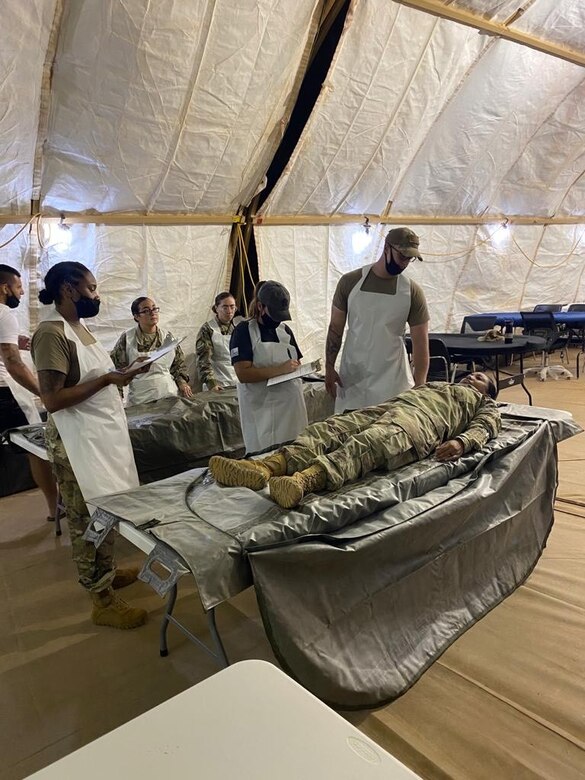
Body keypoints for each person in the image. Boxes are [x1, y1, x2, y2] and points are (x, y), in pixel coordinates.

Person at [31, 261, 150, 630]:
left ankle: (107, 571)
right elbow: (52, 399)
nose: (97, 296)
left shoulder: (78, 328)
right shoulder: (52, 334)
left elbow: (96, 375)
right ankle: (100, 599)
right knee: (87, 519)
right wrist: (108, 381)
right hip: (76, 445)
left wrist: (126, 371)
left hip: (98, 438)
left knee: (107, 509)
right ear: (69, 289)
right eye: (92, 288)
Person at [209, 372, 500, 508]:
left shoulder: (481, 403)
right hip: (392, 406)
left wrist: (462, 443)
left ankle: (303, 481)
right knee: (331, 428)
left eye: (478, 378)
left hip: (419, 425)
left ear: (486, 391)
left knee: (369, 443)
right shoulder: (441, 383)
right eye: (471, 375)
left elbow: (486, 426)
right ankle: (264, 469)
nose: (469, 378)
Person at [326, 227, 430, 413]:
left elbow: (421, 344)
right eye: (402, 256)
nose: (405, 263)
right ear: (386, 248)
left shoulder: (412, 292)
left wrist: (420, 385)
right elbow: (335, 328)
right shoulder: (349, 282)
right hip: (353, 380)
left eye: (410, 258)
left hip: (393, 382)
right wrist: (329, 367)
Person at [0, 264, 59, 521]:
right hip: (4, 394)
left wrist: (16, 340)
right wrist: (43, 392)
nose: (22, 293)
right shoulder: (4, 314)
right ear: (5, 288)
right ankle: (55, 507)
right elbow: (12, 362)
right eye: (19, 287)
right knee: (37, 447)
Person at [230, 280, 308, 453]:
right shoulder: (244, 331)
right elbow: (243, 373)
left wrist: (300, 368)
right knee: (267, 457)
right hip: (262, 410)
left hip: (291, 407)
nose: (278, 320)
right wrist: (280, 370)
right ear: (260, 307)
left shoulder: (285, 331)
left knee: (295, 453)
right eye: (274, 314)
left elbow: (296, 362)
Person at [110, 296, 192, 405]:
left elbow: (178, 365)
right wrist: (118, 398)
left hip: (168, 395)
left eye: (154, 309)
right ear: (136, 316)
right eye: (146, 311)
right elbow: (117, 370)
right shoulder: (128, 338)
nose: (152, 313)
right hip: (140, 400)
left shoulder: (167, 336)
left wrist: (182, 383)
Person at [195, 292, 242, 391]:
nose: (229, 311)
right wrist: (212, 384)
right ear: (216, 308)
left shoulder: (237, 327)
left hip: (236, 381)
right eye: (225, 307)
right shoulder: (208, 329)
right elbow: (203, 360)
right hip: (217, 383)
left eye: (232, 307)